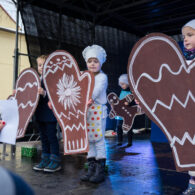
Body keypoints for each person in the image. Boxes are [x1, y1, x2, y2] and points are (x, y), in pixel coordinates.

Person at [80, 44, 108, 183]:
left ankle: (100, 171)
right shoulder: (85, 76)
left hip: (97, 110)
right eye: (90, 61)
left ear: (100, 63)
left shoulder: (102, 77)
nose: (92, 64)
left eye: (95, 61)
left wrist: (83, 98)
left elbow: (95, 92)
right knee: (89, 140)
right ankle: (91, 169)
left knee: (99, 140)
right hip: (87, 110)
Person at [33, 55, 61, 172]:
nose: (41, 67)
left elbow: (57, 95)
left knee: (51, 136)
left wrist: (44, 93)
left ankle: (55, 160)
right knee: (43, 137)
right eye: (40, 65)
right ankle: (45, 159)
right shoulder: (35, 79)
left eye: (44, 65)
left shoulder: (52, 79)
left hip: (49, 114)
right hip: (39, 113)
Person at [181, 19, 195, 195]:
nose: (185, 39)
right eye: (184, 36)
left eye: (190, 35)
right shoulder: (185, 61)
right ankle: (192, 183)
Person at [115, 74, 133, 147]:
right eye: (121, 84)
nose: (122, 86)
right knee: (119, 126)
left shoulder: (131, 92)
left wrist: (129, 103)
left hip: (128, 113)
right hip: (120, 112)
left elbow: (134, 102)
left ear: (128, 83)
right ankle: (119, 140)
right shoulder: (120, 91)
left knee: (129, 127)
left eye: (123, 84)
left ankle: (129, 141)